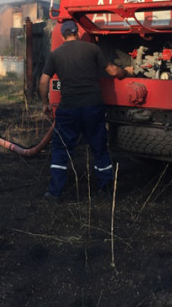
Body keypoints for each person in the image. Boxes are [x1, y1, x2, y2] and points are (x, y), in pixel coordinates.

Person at [38, 19, 130, 204]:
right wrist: (125, 72)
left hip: (68, 109)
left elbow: (43, 81)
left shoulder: (55, 54)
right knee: (99, 148)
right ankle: (105, 190)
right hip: (93, 107)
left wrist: (45, 103)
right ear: (78, 33)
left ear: (63, 35)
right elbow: (112, 71)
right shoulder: (92, 49)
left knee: (61, 150)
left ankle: (54, 193)